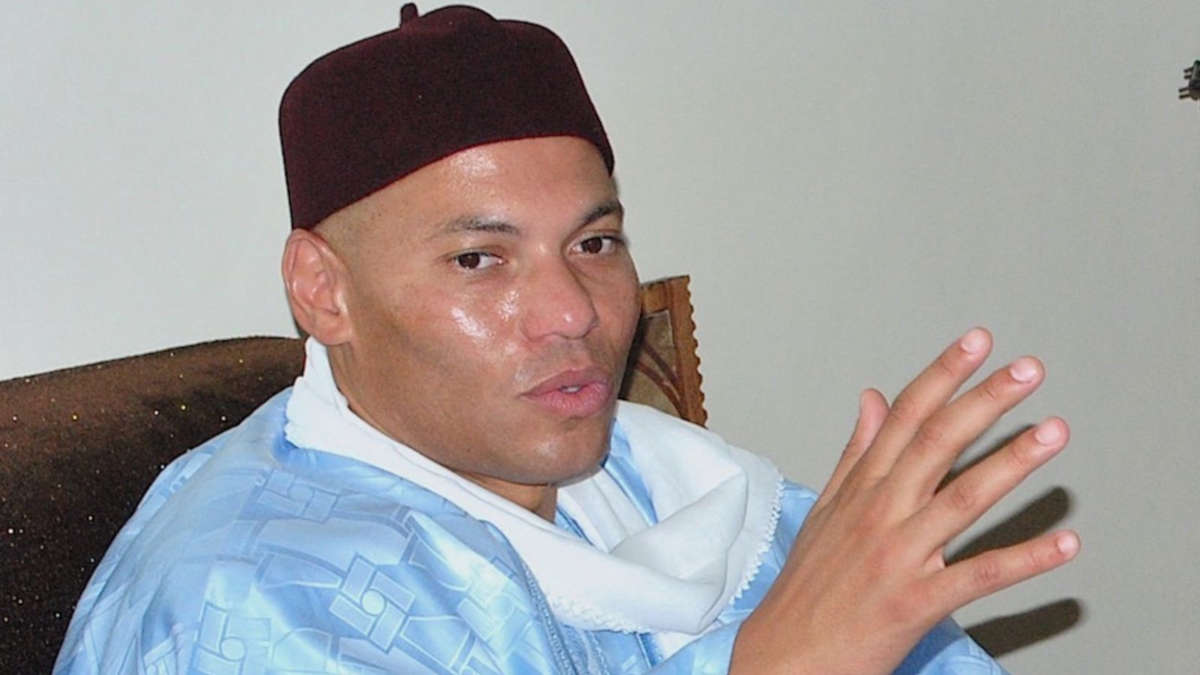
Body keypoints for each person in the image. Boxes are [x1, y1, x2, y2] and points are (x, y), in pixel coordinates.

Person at [54, 5, 1078, 673]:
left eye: (594, 243)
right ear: (324, 292)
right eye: (479, 259)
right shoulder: (252, 606)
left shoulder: (673, 484)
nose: (573, 312)